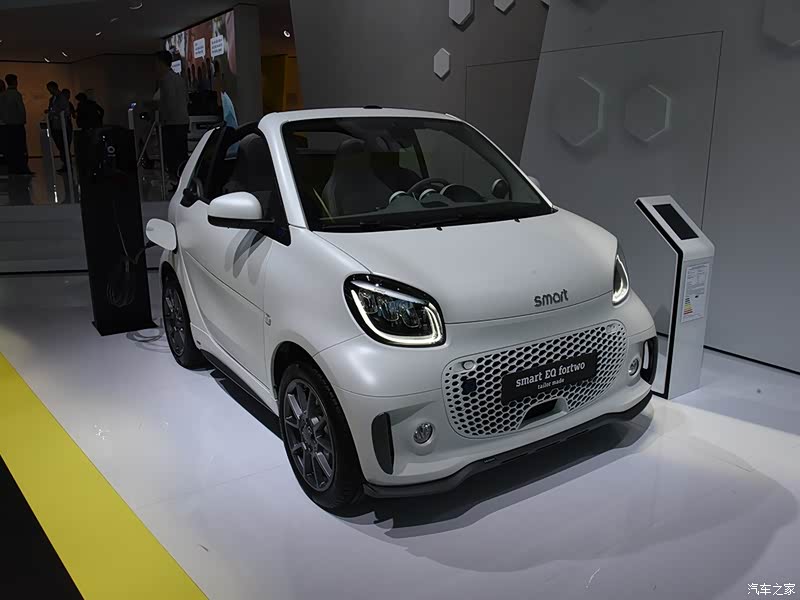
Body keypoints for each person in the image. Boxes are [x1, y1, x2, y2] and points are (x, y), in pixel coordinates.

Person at [154, 50, 189, 179]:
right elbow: (185, 99)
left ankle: (175, 180)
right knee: (181, 156)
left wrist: (163, 119)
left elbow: (169, 102)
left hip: (171, 124)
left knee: (171, 157)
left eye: (156, 63)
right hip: (182, 122)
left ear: (161, 63)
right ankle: (182, 180)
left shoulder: (165, 80)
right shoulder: (179, 79)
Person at [3, 74, 32, 176]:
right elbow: (21, 109)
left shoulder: (3, 95)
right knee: (20, 147)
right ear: (14, 82)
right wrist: (23, 120)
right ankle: (22, 168)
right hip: (17, 124)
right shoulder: (16, 94)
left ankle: (13, 168)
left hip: (7, 125)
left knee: (11, 147)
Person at [46, 81, 72, 172]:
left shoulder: (61, 97)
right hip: (56, 126)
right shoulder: (52, 99)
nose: (49, 91)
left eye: (50, 89)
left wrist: (54, 113)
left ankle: (67, 165)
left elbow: (65, 111)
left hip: (62, 126)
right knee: (61, 146)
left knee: (64, 146)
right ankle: (66, 164)